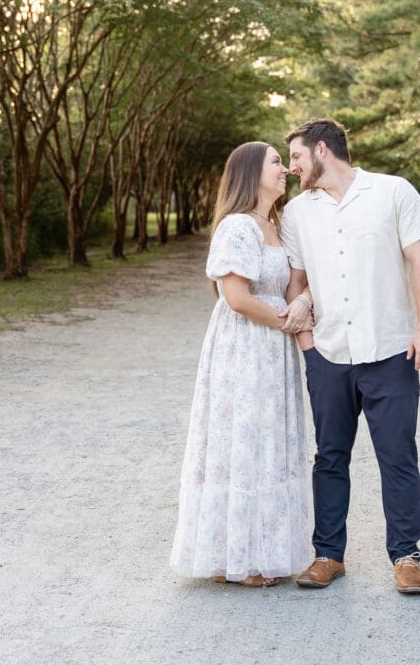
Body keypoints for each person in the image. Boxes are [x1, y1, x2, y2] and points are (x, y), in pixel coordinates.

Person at [280, 118, 420, 595]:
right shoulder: (296, 213)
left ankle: (406, 557)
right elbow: (297, 281)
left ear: (323, 150)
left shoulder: (393, 192)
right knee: (330, 456)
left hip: (391, 348)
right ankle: (328, 554)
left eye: (296, 157)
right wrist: (308, 346)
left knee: (397, 455)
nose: (291, 168)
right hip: (328, 352)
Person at [170, 141, 314, 587]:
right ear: (251, 173)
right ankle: (237, 557)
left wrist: (301, 308)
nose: (284, 169)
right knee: (245, 443)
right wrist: (288, 323)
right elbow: (236, 298)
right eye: (275, 161)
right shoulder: (238, 226)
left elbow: (293, 282)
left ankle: (262, 547)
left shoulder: (274, 224)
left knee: (268, 442)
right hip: (248, 346)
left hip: (273, 347)